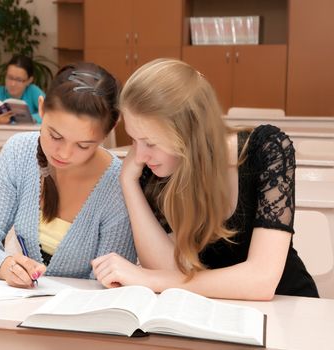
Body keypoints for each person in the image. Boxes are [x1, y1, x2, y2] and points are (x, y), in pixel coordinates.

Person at [92, 58, 319, 300]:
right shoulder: (155, 168)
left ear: (190, 134)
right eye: (134, 139)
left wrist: (147, 279)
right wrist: (129, 183)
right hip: (210, 313)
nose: (139, 155)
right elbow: (169, 272)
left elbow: (260, 281)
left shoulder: (267, 149)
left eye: (150, 142)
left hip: (288, 309)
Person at [0, 62, 136, 288]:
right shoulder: (19, 152)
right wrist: (5, 266)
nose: (63, 153)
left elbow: (112, 281)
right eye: (55, 136)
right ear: (41, 109)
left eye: (83, 146)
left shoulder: (117, 183)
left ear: (109, 130)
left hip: (81, 315)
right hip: (18, 308)